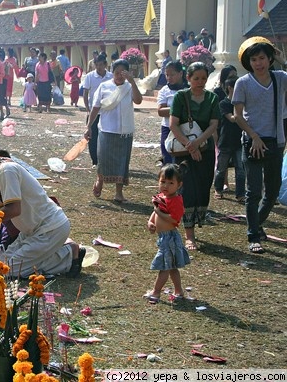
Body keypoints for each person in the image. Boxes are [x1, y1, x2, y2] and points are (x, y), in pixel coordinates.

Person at [0, 133, 85, 278]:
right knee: (0, 262)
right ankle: (57, 253)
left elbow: (13, 209)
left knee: (7, 271)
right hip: (31, 232)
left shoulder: (6, 170)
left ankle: (69, 255)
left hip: (50, 228)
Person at [232, 37, 287, 254]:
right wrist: (253, 136)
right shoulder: (243, 83)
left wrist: (283, 60)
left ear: (270, 58)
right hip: (252, 142)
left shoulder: (280, 78)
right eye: (254, 59)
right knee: (253, 191)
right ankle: (253, 235)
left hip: (276, 141)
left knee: (272, 192)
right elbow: (237, 115)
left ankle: (257, 223)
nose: (258, 63)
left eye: (262, 58)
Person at [169, 62, 220, 252]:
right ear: (188, 78)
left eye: (203, 78)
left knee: (203, 186)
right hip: (184, 151)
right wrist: (190, 146)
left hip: (205, 149)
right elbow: (174, 124)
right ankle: (189, 234)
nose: (200, 82)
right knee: (187, 189)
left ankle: (198, 220)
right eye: (196, 78)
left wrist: (198, 143)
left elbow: (213, 124)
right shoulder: (181, 97)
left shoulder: (212, 99)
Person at [85, 59, 143, 203]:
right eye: (116, 73)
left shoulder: (129, 87)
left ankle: (119, 193)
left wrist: (132, 81)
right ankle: (100, 181)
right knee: (103, 159)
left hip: (125, 132)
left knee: (122, 162)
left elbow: (138, 100)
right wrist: (89, 126)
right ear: (112, 72)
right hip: (107, 130)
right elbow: (96, 107)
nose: (119, 76)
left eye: (122, 73)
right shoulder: (104, 87)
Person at [144, 163, 191, 304]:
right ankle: (179, 291)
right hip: (163, 237)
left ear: (179, 185)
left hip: (169, 237)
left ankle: (156, 292)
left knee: (165, 266)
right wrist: (151, 222)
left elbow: (174, 219)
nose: (166, 186)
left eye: (171, 183)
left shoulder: (176, 200)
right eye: (163, 182)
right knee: (172, 267)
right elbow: (155, 211)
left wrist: (159, 213)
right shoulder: (161, 197)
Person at [213, 76, 245, 202]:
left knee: (241, 170)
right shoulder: (224, 104)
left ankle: (240, 194)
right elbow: (232, 118)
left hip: (239, 141)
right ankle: (218, 189)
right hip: (225, 141)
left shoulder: (242, 103)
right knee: (221, 168)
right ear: (230, 88)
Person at [81, 54, 113, 168]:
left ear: (105, 64)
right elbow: (85, 93)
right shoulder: (90, 76)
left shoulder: (111, 77)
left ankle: (105, 159)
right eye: (97, 65)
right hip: (93, 111)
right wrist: (88, 109)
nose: (99, 67)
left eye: (101, 65)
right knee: (92, 137)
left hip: (107, 112)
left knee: (106, 136)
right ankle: (95, 160)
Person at [156, 60, 188, 166]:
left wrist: (171, 110)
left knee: (184, 157)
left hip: (185, 127)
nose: (169, 77)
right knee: (168, 156)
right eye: (167, 75)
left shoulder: (188, 89)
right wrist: (178, 109)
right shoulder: (164, 91)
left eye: (172, 74)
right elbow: (160, 111)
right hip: (167, 128)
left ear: (180, 73)